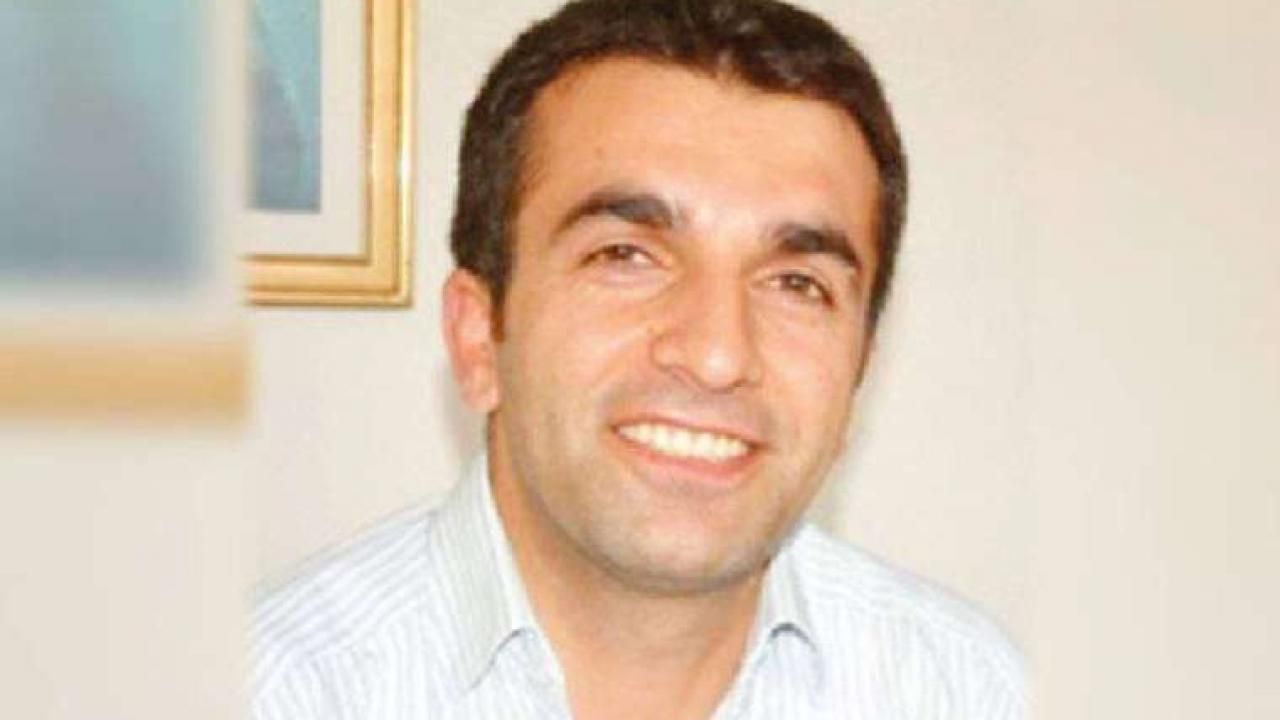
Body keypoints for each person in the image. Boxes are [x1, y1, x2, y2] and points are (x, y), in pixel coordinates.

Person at [250, 0, 1027, 717]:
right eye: (626, 255)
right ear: (479, 335)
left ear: (857, 371)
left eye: (797, 283)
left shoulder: (961, 689)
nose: (718, 354)